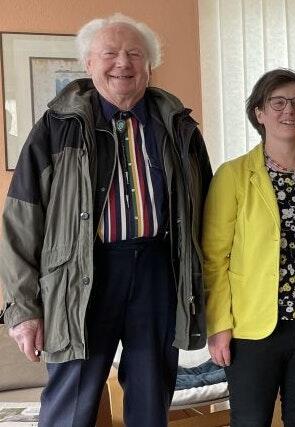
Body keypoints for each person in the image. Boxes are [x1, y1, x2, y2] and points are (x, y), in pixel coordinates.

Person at [0, 13, 212, 426]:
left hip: (157, 269)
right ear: (88, 64)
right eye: (110, 53)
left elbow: (206, 209)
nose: (123, 63)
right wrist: (23, 310)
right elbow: (21, 221)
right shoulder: (55, 128)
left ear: (149, 65)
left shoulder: (178, 126)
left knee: (151, 399)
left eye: (135, 53)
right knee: (71, 400)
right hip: (82, 272)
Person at [203, 68, 295, 426]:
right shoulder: (234, 175)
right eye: (278, 103)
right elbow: (214, 257)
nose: (289, 111)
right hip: (254, 327)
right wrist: (219, 324)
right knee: (250, 420)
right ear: (259, 112)